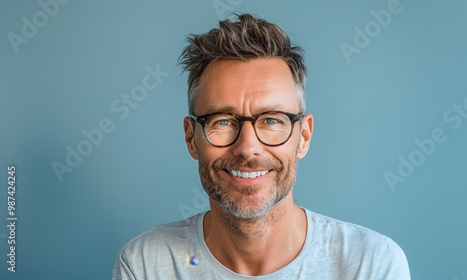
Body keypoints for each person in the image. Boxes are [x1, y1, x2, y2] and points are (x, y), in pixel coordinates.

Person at [113, 14, 411, 279]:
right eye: (223, 121)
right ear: (192, 138)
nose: (247, 148)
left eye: (271, 120)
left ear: (303, 136)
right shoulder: (147, 265)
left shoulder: (371, 265)